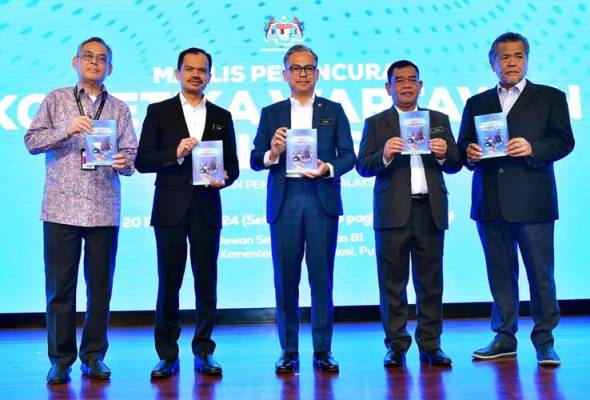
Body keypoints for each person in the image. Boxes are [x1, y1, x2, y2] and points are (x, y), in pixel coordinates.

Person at [24, 37, 138, 384]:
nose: (94, 62)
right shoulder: (56, 99)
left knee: (100, 289)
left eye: (102, 58)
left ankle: (93, 356)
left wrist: (124, 163)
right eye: (88, 56)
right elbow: (31, 141)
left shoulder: (119, 108)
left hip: (103, 207)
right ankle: (60, 359)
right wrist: (67, 129)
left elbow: (131, 156)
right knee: (60, 289)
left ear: (110, 69)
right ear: (75, 62)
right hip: (61, 207)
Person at [457, 32, 575, 366]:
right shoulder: (477, 102)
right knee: (500, 275)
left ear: (527, 60)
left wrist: (534, 148)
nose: (512, 63)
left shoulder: (550, 97)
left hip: (533, 201)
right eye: (505, 57)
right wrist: (469, 153)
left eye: (518, 56)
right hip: (490, 202)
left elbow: (564, 141)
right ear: (492, 63)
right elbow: (463, 146)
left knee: (541, 275)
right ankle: (504, 337)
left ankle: (545, 340)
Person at [250, 45, 356, 373]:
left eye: (308, 68)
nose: (302, 73)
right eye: (295, 68)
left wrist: (327, 168)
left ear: (318, 73)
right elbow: (255, 159)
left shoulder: (334, 110)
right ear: (285, 74)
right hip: (286, 199)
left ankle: (323, 349)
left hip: (321, 196)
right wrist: (273, 152)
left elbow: (349, 156)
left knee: (322, 278)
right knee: (286, 278)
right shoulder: (271, 113)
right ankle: (289, 350)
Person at [135, 47, 239, 378]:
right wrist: (175, 153)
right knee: (169, 282)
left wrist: (225, 178)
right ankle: (167, 354)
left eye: (202, 69)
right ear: (177, 73)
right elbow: (142, 160)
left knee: (206, 281)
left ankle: (204, 350)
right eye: (189, 68)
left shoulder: (222, 115)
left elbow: (233, 166)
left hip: (207, 208)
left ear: (210, 75)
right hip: (169, 209)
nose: (196, 74)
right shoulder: (158, 111)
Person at [356, 60, 462, 367]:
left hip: (430, 211)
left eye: (412, 80)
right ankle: (396, 345)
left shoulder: (438, 119)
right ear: (388, 88)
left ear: (420, 86)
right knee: (392, 284)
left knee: (431, 283)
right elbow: (363, 166)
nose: (406, 85)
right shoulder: (376, 123)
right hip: (392, 214)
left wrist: (444, 154)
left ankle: (431, 344)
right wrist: (385, 154)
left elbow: (456, 163)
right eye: (399, 80)